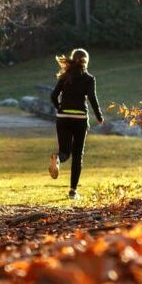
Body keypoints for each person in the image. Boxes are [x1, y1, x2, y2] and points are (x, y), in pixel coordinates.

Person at [48, 48, 103, 199]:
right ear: (86, 61)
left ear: (73, 59)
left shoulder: (65, 76)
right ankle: (73, 191)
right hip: (80, 119)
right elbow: (92, 98)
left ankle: (57, 158)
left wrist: (59, 108)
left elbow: (53, 95)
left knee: (65, 151)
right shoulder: (89, 78)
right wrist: (99, 116)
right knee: (77, 155)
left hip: (63, 118)